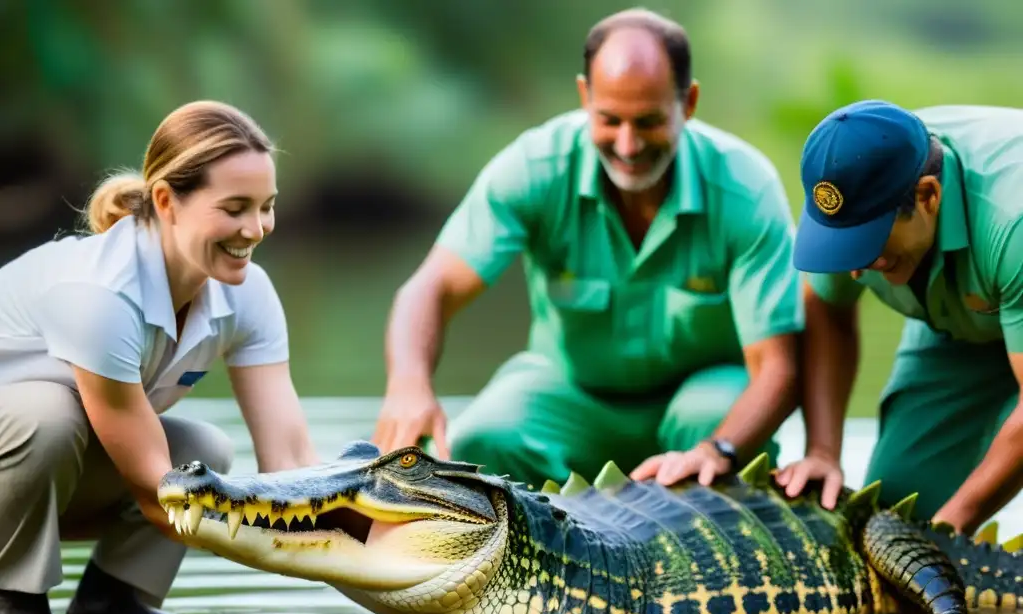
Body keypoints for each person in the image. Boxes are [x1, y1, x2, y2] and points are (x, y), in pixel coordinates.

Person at [372, 8, 803, 490]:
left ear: (690, 101)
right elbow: (431, 287)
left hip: (702, 404)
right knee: (481, 438)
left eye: (649, 121)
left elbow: (777, 366)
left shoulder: (746, 188)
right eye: (609, 119)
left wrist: (716, 448)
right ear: (584, 96)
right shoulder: (534, 168)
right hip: (571, 393)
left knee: (708, 417)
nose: (628, 144)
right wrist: (408, 385)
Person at [0, 100, 320, 614]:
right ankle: (11, 600)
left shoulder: (248, 293)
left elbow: (290, 465)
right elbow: (156, 491)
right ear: (168, 201)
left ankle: (112, 603)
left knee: (204, 454)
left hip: (43, 476)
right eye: (235, 207)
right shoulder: (99, 294)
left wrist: (366, 548)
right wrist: (265, 537)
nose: (257, 228)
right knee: (51, 418)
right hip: (25, 448)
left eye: (267, 206)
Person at [776, 99, 1023, 536]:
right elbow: (825, 306)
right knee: (898, 516)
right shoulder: (843, 190)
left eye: (867, 244)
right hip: (965, 320)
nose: (852, 270)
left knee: (929, 538)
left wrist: (953, 526)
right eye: (842, 245)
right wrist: (822, 450)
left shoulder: (1012, 219)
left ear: (928, 196)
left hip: (1004, 262)